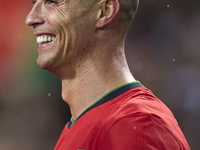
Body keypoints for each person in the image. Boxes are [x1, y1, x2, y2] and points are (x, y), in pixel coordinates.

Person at [26, 0, 190, 149]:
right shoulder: (87, 123)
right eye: (34, 3)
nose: (30, 18)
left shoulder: (135, 126)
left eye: (52, 2)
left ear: (105, 11)